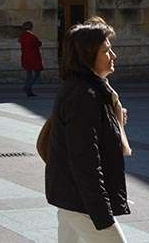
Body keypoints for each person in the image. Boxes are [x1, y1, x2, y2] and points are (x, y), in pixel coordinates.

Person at [45, 18, 131, 242]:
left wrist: (112, 123)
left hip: (71, 197)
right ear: (88, 56)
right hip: (81, 202)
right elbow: (85, 160)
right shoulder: (85, 96)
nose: (113, 56)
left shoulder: (91, 90)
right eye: (106, 50)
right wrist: (101, 213)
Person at [19, 20, 43, 97]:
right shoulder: (32, 36)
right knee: (37, 74)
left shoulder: (22, 36)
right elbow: (39, 43)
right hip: (33, 57)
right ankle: (27, 87)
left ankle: (29, 91)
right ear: (31, 27)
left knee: (29, 74)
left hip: (25, 57)